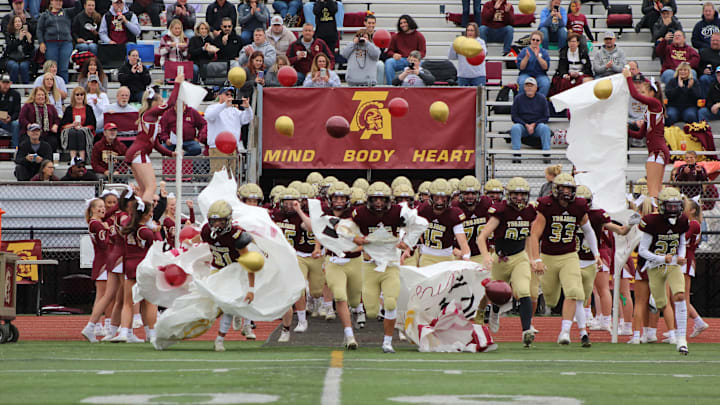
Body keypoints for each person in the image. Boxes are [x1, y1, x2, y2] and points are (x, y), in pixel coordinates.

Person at [529, 173, 599, 347]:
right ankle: (564, 326)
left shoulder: (579, 206)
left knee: (574, 292)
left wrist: (596, 253)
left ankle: (565, 332)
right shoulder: (546, 205)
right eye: (563, 188)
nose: (566, 192)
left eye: (569, 189)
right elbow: (534, 234)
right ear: (555, 189)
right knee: (551, 300)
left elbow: (588, 230)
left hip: (569, 255)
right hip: (548, 257)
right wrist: (536, 259)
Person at [345, 181, 413, 353]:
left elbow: (416, 226)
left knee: (390, 302)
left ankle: (388, 342)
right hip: (370, 266)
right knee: (372, 313)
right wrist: (357, 240)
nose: (379, 203)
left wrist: (407, 242)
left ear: (388, 200)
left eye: (382, 199)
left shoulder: (398, 212)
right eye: (375, 199)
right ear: (369, 200)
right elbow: (343, 228)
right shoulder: (360, 214)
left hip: (391, 265)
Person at [478, 177, 537, 346]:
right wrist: (486, 256)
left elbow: (531, 236)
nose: (519, 198)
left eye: (522, 194)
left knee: (523, 290)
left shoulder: (530, 211)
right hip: (501, 258)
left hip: (520, 257)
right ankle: (495, 310)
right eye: (515, 194)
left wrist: (532, 258)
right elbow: (482, 237)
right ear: (508, 195)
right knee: (494, 293)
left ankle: (526, 331)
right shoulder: (501, 210)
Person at [637, 187, 689, 354]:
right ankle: (655, 301)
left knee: (680, 295)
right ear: (661, 205)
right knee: (661, 303)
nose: (674, 209)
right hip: (654, 267)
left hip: (673, 265)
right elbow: (642, 250)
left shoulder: (682, 221)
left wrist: (679, 257)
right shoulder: (651, 221)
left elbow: (681, 243)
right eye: (670, 206)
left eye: (676, 206)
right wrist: (661, 258)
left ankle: (681, 339)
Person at [201, 200, 256, 352]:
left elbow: (249, 263)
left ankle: (219, 339)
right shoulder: (206, 231)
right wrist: (187, 243)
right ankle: (240, 316)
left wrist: (251, 288)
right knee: (207, 303)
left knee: (228, 305)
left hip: (235, 271)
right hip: (217, 270)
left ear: (228, 220)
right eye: (214, 221)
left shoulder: (237, 236)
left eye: (220, 221)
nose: (217, 224)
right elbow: (200, 239)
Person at [109, 199, 159, 343]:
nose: (152, 215)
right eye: (150, 213)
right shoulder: (145, 231)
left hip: (130, 264)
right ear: (145, 215)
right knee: (150, 302)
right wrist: (155, 231)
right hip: (144, 265)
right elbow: (156, 246)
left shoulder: (128, 228)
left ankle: (125, 332)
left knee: (128, 302)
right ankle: (152, 333)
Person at [124, 77, 181, 204]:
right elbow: (171, 103)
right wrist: (177, 83)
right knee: (151, 188)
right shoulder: (150, 114)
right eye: (160, 101)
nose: (162, 104)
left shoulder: (151, 118)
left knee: (144, 190)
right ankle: (145, 217)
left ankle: (137, 218)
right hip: (139, 153)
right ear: (154, 103)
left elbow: (154, 143)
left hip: (138, 152)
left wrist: (170, 153)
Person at [623, 66, 668, 198]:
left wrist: (628, 77)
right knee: (656, 189)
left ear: (652, 93)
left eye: (643, 92)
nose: (641, 95)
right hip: (655, 151)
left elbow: (634, 95)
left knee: (653, 190)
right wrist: (626, 130)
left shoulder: (655, 104)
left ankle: (654, 214)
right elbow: (640, 135)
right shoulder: (648, 110)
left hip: (657, 151)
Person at [417, 178, 471, 266]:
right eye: (436, 197)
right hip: (427, 256)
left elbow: (462, 241)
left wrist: (466, 256)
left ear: (449, 198)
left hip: (447, 257)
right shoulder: (423, 209)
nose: (439, 201)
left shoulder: (454, 213)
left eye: (443, 197)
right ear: (431, 197)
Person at [205, 87, 253, 174]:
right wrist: (224, 105)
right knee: (218, 176)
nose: (230, 97)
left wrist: (247, 108)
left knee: (231, 177)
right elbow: (210, 116)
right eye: (227, 94)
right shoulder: (212, 107)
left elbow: (248, 119)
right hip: (218, 148)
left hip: (232, 148)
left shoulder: (235, 111)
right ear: (220, 96)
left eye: (231, 95)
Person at [682, 196, 710, 338]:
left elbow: (683, 239)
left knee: (683, 297)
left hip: (686, 259)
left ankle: (680, 330)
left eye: (685, 207)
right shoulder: (691, 222)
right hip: (684, 259)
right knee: (680, 296)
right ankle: (698, 322)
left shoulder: (693, 224)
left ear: (692, 210)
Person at [510, 77, 551, 154]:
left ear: (536, 88)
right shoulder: (518, 98)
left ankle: (546, 153)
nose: (529, 88)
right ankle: (516, 154)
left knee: (545, 128)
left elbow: (546, 116)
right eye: (527, 86)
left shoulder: (542, 99)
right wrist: (526, 125)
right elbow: (514, 116)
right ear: (524, 88)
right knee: (515, 128)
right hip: (523, 126)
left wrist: (534, 124)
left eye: (531, 86)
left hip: (537, 126)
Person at [36, 0, 73, 82]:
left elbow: (78, 7)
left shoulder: (67, 12)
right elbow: (39, 30)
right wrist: (41, 42)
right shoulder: (44, 15)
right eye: (56, 1)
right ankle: (51, 89)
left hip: (65, 43)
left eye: (60, 1)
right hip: (50, 43)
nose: (59, 3)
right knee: (51, 68)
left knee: (63, 68)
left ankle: (64, 89)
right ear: (51, 2)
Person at [384, 15, 426, 86]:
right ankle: (391, 86)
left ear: (410, 22)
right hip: (400, 60)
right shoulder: (395, 36)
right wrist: (394, 54)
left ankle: (418, 86)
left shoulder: (419, 36)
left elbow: (422, 52)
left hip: (413, 60)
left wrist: (414, 58)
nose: (403, 25)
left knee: (421, 63)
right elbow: (389, 51)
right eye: (401, 23)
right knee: (389, 62)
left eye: (405, 22)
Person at [60, 87, 96, 160]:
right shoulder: (69, 109)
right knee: (72, 132)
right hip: (71, 129)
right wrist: (72, 125)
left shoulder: (88, 108)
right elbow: (63, 125)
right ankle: (73, 159)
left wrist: (82, 127)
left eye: (81, 94)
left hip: (85, 130)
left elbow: (93, 124)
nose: (79, 96)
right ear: (74, 96)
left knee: (80, 132)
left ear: (84, 96)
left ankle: (82, 159)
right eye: (77, 94)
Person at [19, 87, 60, 152]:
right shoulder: (27, 106)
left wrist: (55, 125)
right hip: (31, 132)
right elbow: (22, 118)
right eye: (39, 95)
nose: (41, 97)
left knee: (53, 141)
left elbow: (57, 119)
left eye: (42, 95)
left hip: (47, 133)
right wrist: (29, 125)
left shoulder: (51, 107)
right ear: (34, 96)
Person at [517, 31, 550, 96]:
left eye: (537, 40)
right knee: (522, 83)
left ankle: (539, 102)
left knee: (545, 84)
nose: (535, 41)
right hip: (526, 73)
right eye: (533, 39)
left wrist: (538, 57)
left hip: (540, 74)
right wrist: (526, 57)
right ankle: (522, 103)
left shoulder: (544, 52)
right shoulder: (524, 51)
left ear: (540, 42)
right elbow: (521, 67)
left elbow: (546, 67)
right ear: (530, 40)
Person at [2, 15, 33, 84]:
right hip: (10, 58)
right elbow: (9, 47)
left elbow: (30, 50)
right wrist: (19, 39)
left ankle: (26, 89)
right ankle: (13, 86)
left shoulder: (26, 34)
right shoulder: (9, 35)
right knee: (14, 66)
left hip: (24, 59)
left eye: (19, 21)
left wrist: (29, 41)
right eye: (15, 22)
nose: (18, 23)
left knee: (23, 66)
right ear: (12, 24)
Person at [0, 75, 21, 147]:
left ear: (10, 83)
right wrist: (2, 116)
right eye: (3, 83)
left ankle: (15, 150)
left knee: (16, 124)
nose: (5, 85)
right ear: (0, 82)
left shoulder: (15, 94)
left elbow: (17, 111)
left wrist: (11, 118)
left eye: (7, 83)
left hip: (9, 120)